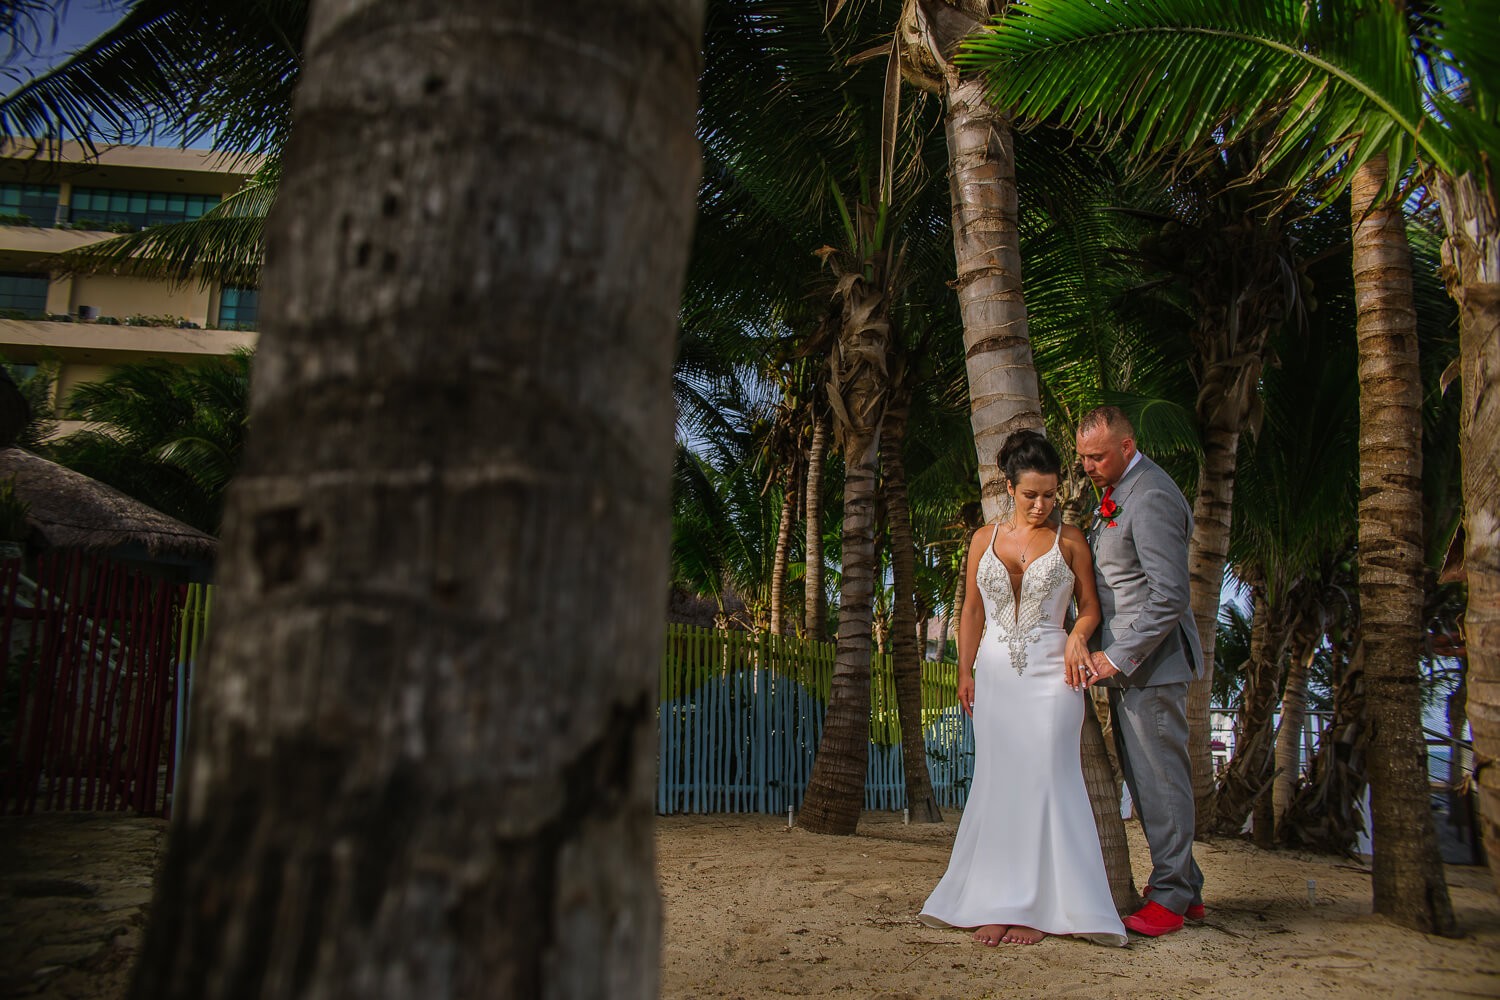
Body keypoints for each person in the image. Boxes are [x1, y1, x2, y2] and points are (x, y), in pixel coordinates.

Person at [919, 430, 1127, 947]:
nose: (1041, 505)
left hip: (1054, 677)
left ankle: (1037, 908)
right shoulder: (982, 540)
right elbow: (970, 610)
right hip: (995, 677)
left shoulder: (1071, 540)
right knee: (999, 783)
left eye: (1050, 494)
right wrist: (964, 672)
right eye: (1031, 494)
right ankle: (995, 901)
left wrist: (1079, 635)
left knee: (1048, 780)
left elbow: (1091, 610)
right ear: (1008, 487)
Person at [1075, 405, 1206, 937]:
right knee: (1145, 779)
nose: (1087, 466)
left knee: (1161, 781)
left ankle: (1172, 898)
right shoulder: (1117, 490)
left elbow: (1170, 596)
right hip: (1131, 670)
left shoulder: (1149, 495)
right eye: (1082, 456)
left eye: (1097, 456)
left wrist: (1116, 655)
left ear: (1127, 448)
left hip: (1151, 667)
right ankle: (1187, 888)